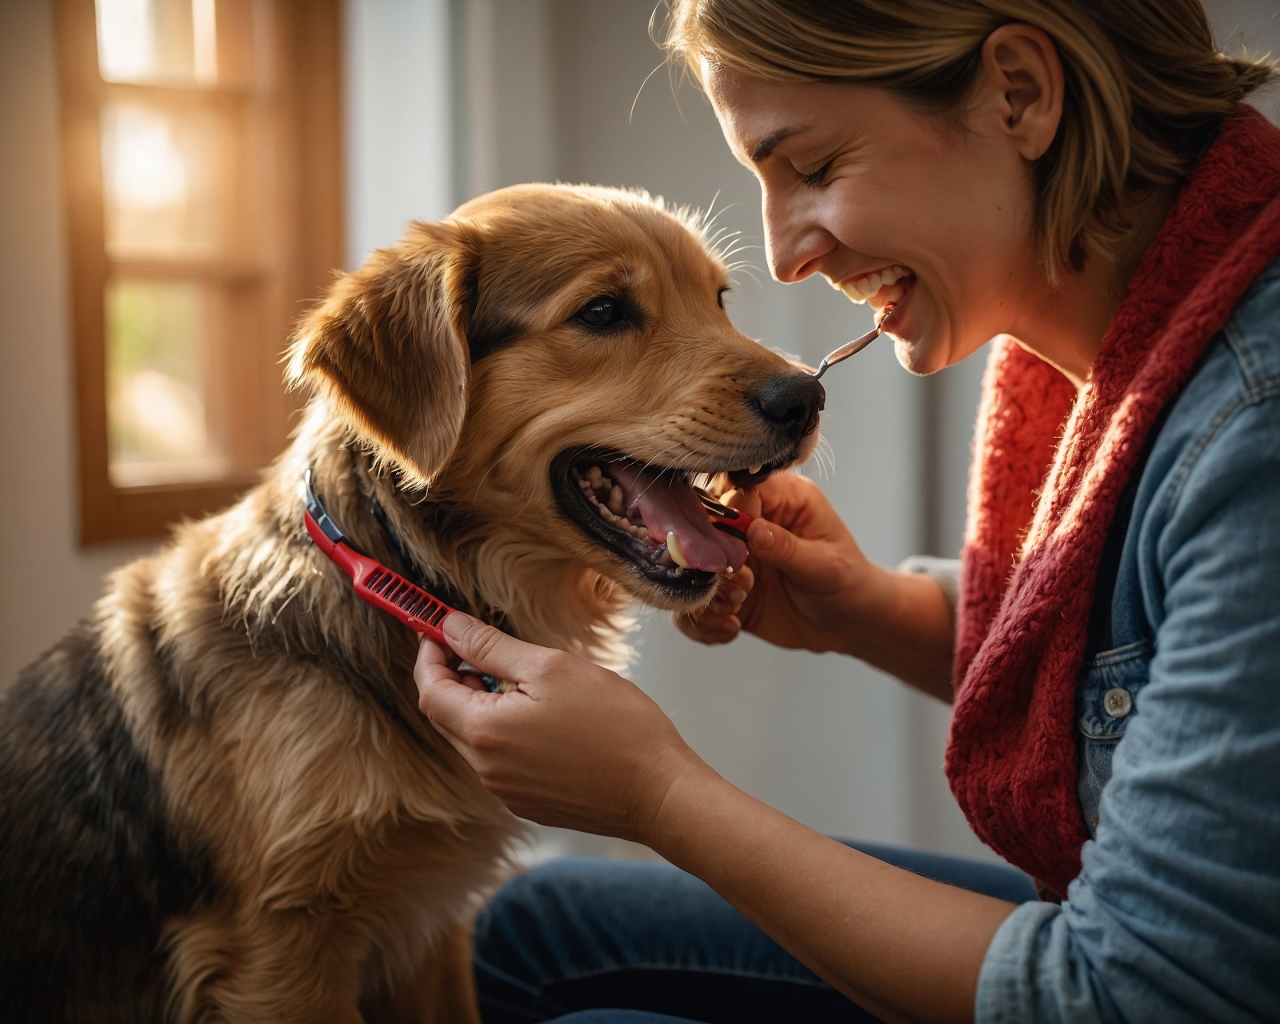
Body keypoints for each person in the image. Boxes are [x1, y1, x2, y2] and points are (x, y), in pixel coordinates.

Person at [416, 2, 1280, 1021]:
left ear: (1019, 93)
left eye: (812, 168)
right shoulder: (1125, 342)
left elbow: (1136, 995)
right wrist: (867, 609)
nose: (784, 257)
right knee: (536, 921)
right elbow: (1157, 659)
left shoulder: (1250, 425)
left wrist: (657, 796)